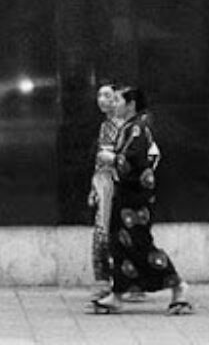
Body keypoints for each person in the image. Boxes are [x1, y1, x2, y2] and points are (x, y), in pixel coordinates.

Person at [93, 86, 192, 315]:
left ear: (131, 104)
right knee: (119, 245)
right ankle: (117, 294)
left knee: (141, 245)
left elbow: (134, 160)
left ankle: (178, 286)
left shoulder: (138, 128)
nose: (113, 104)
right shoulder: (130, 127)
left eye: (117, 100)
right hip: (125, 196)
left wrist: (112, 158)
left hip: (135, 200)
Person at [87, 82, 122, 301]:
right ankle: (107, 282)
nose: (101, 100)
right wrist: (94, 188)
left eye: (107, 95)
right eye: (99, 95)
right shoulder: (105, 126)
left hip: (117, 184)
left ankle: (113, 283)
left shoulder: (125, 126)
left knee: (111, 235)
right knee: (104, 235)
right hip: (104, 184)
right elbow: (100, 160)